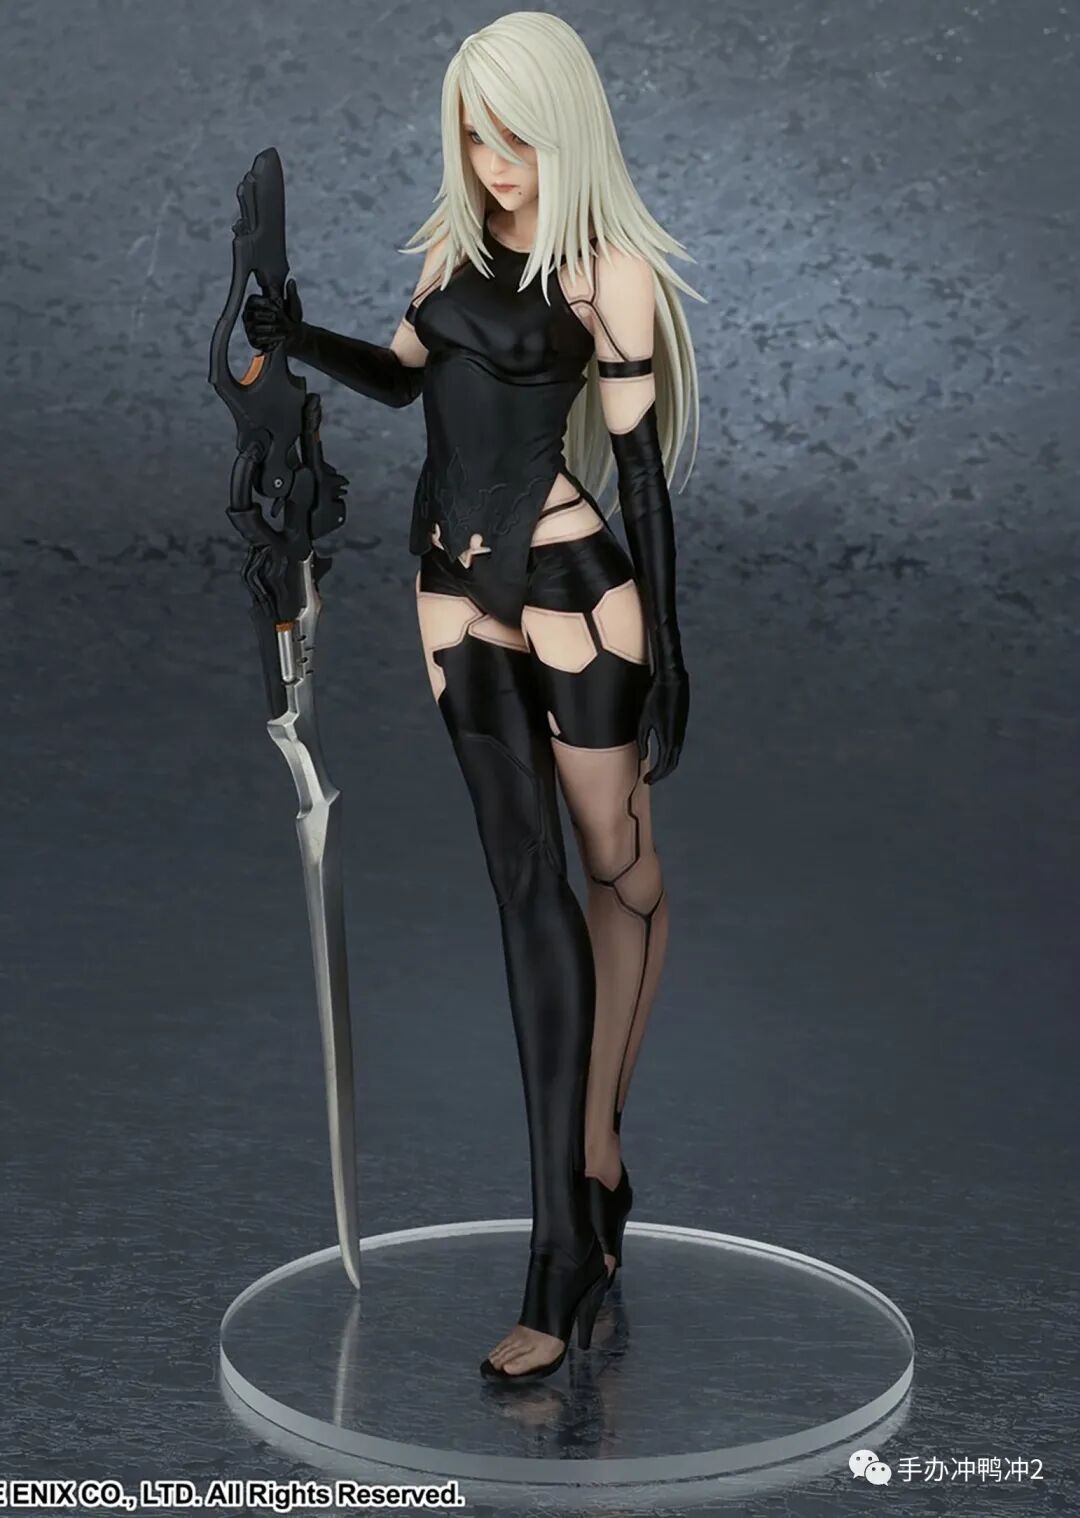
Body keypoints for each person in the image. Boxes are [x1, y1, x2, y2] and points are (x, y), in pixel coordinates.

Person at [243, 10, 704, 1382]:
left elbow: (639, 476)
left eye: (518, 135)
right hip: (449, 585)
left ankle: (598, 1151)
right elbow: (402, 380)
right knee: (522, 884)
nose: (496, 160)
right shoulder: (452, 253)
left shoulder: (608, 276)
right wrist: (296, 336)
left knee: (616, 866)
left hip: (574, 589)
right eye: (474, 132)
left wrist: (675, 645)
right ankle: (563, 1239)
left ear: (566, 131)